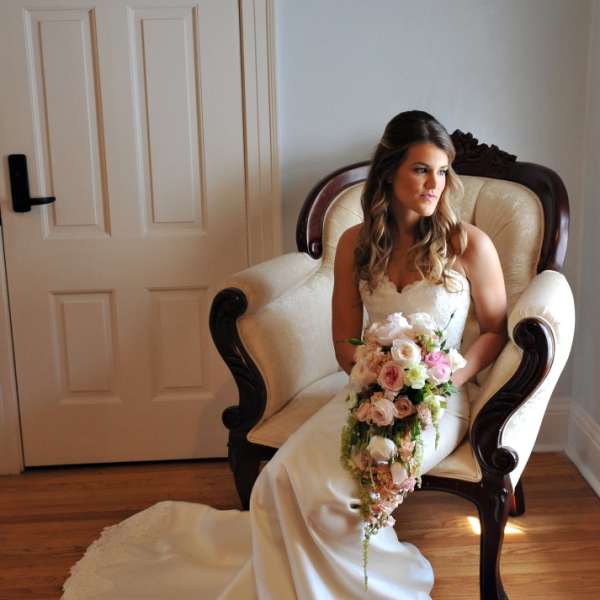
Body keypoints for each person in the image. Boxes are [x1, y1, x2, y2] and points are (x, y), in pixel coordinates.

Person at [62, 110, 507, 600]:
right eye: (421, 169)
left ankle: (365, 585)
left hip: (440, 400)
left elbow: (495, 330)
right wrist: (375, 380)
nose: (434, 184)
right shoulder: (357, 243)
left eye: (442, 171)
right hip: (368, 393)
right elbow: (345, 341)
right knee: (281, 477)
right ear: (389, 172)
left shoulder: (468, 244)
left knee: (340, 493)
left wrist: (448, 377)